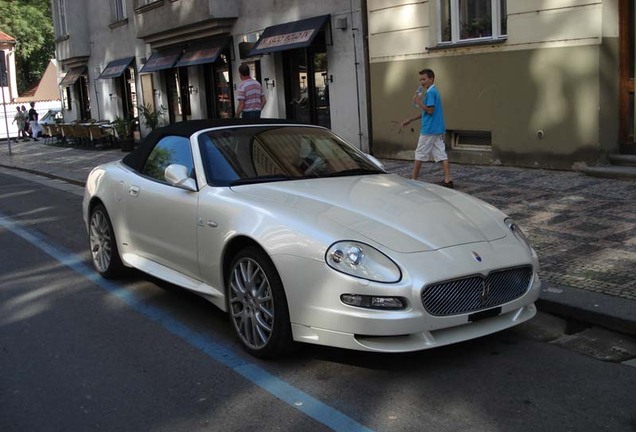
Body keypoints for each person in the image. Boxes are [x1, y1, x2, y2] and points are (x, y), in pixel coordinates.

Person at [401, 68, 453, 188]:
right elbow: (427, 112)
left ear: (431, 79)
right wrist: (411, 119)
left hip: (429, 129)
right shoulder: (434, 92)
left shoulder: (430, 93)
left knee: (419, 153)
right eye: (420, 80)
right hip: (437, 128)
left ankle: (413, 180)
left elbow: (429, 110)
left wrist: (418, 102)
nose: (422, 82)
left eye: (424, 79)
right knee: (441, 154)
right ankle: (448, 180)